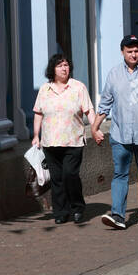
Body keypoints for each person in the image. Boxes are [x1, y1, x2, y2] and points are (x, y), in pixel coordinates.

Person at [92, 36, 138, 229]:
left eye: (136, 51)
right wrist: (95, 126)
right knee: (120, 174)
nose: (133, 54)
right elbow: (105, 104)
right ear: (122, 51)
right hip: (120, 134)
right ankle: (118, 215)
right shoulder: (114, 74)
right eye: (129, 51)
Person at [32, 53, 94, 225]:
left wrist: (95, 129)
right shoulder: (45, 89)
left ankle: (77, 207)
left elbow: (89, 110)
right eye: (60, 66)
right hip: (50, 141)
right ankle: (60, 211)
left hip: (73, 140)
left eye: (66, 65)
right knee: (57, 178)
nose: (64, 68)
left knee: (70, 174)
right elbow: (38, 113)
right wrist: (36, 135)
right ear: (53, 69)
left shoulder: (78, 87)